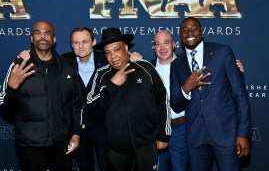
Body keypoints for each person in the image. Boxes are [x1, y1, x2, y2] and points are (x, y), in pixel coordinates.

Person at [0, 21, 84, 171]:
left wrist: (76, 133)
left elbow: (77, 103)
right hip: (30, 143)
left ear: (54, 39)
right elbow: (5, 108)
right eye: (37, 33)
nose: (42, 36)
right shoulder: (20, 64)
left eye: (47, 33)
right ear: (32, 39)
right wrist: (12, 88)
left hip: (61, 141)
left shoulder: (68, 66)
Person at [170, 17, 251, 171]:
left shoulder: (222, 51)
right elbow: (175, 103)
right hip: (195, 136)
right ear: (180, 35)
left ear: (202, 32)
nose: (189, 33)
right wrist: (186, 88)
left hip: (225, 132)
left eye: (194, 28)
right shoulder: (177, 64)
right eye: (184, 30)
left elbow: (240, 95)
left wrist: (243, 133)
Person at [87, 27, 171, 171]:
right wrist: (112, 84)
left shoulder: (145, 67)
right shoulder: (101, 75)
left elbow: (163, 100)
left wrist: (163, 136)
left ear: (126, 48)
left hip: (146, 146)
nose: (113, 56)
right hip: (117, 149)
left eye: (116, 49)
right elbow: (92, 108)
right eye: (108, 52)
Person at [62, 27, 110, 171]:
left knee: (107, 166)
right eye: (76, 42)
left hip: (104, 128)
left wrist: (134, 56)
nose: (81, 46)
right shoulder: (64, 62)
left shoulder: (107, 58)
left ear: (93, 42)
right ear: (71, 44)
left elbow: (124, 59)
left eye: (85, 41)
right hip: (77, 130)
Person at [150, 30, 189, 171]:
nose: (162, 47)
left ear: (174, 45)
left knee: (180, 168)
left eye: (166, 42)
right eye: (157, 44)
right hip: (156, 129)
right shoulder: (147, 68)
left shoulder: (187, 66)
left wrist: (234, 67)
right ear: (153, 47)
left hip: (181, 128)